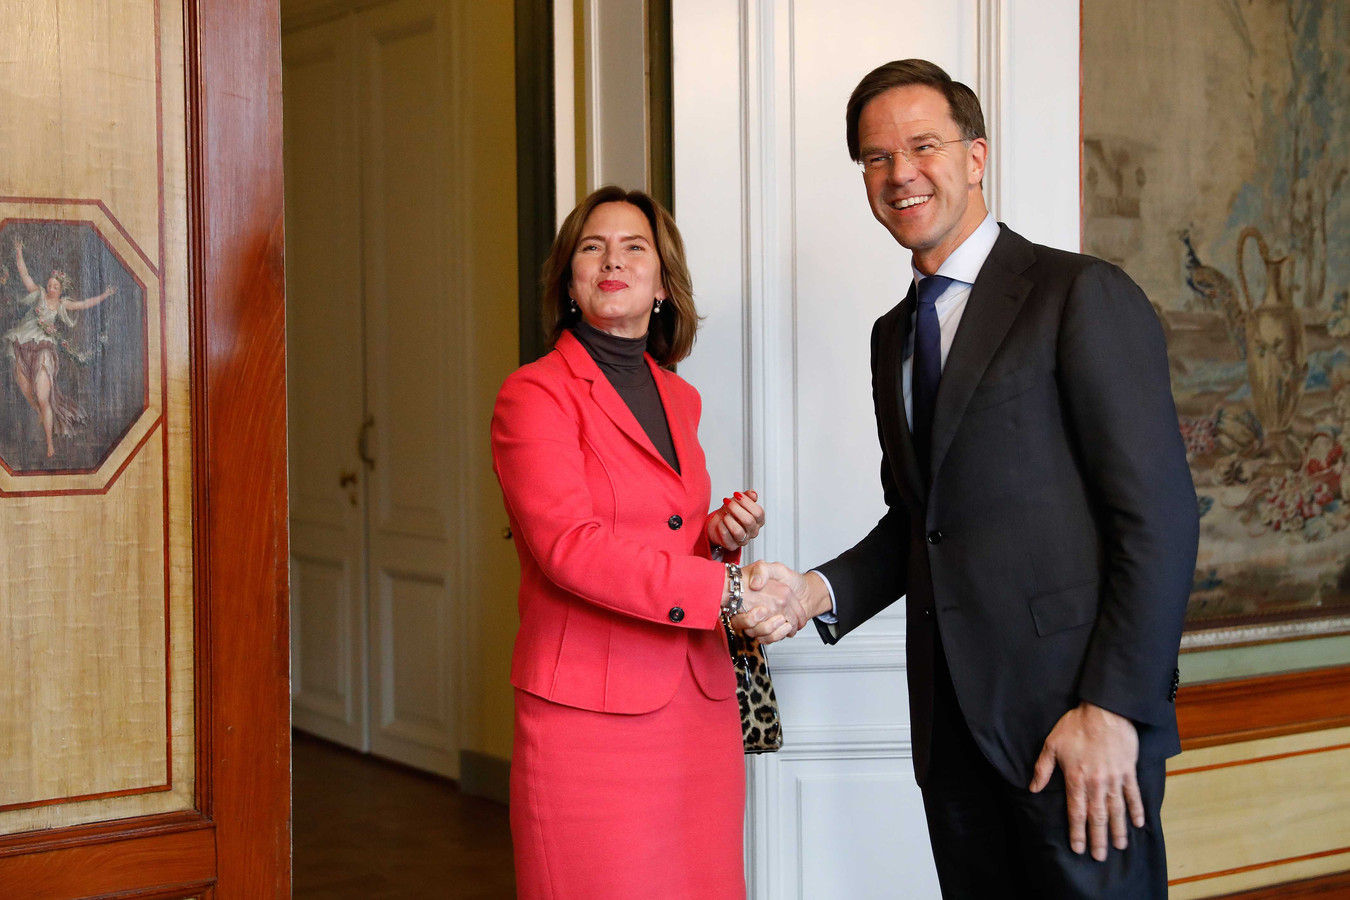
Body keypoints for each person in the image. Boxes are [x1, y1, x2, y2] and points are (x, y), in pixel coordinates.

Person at [736, 60, 1199, 898]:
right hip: (952, 738)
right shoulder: (892, 335)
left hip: (1076, 728)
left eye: (923, 146)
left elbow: (1159, 520)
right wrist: (812, 593)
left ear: (976, 156)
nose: (900, 173)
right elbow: (921, 523)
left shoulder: (1079, 294)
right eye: (877, 157)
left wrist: (1113, 709)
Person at [491, 185, 797, 899]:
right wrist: (725, 588)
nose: (612, 261)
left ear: (662, 284)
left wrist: (716, 538)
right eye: (592, 247)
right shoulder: (533, 394)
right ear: (569, 279)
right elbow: (569, 546)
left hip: (698, 706)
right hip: (589, 721)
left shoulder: (679, 397)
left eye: (634, 247)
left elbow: (662, 531)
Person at [4, 238, 118, 458]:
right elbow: (25, 275)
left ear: (60, 289)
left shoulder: (61, 305)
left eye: (55, 287)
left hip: (44, 349)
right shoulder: (38, 294)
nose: (51, 288)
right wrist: (18, 251)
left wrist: (105, 295)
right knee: (27, 391)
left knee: (43, 396)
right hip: (23, 344)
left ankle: (50, 444)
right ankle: (40, 414)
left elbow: (83, 304)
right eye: (49, 285)